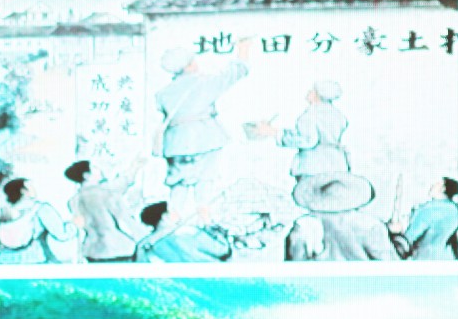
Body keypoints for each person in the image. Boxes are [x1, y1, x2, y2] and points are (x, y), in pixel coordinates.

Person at [153, 40, 252, 218]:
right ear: (189, 65)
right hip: (205, 138)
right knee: (205, 181)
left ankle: (171, 220)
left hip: (175, 143)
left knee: (178, 185)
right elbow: (233, 74)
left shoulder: (163, 93)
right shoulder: (203, 83)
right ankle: (205, 219)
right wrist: (243, 50)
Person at [254, 80, 350, 183]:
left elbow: (307, 140)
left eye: (313, 90)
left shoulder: (310, 115)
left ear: (318, 95)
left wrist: (274, 133)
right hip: (338, 165)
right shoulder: (338, 115)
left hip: (313, 168)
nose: (309, 92)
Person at [0, 177, 76, 264]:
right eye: (31, 186)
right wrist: (74, 225)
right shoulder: (41, 209)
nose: (34, 189)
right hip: (35, 261)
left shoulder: (3, 213)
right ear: (23, 191)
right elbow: (62, 234)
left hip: (4, 261)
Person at [64, 159, 138, 261]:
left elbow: (80, 224)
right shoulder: (106, 193)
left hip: (92, 250)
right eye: (95, 168)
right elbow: (127, 219)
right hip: (118, 248)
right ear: (86, 175)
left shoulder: (73, 201)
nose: (99, 170)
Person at [131, 200, 231, 263]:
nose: (177, 213)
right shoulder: (188, 234)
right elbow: (222, 249)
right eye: (172, 210)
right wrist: (207, 221)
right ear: (165, 217)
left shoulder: (142, 246)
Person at [400, 176, 458, 260]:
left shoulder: (428, 209)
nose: (432, 185)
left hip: (424, 258)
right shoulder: (455, 211)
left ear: (443, 188)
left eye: (437, 184)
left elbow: (408, 239)